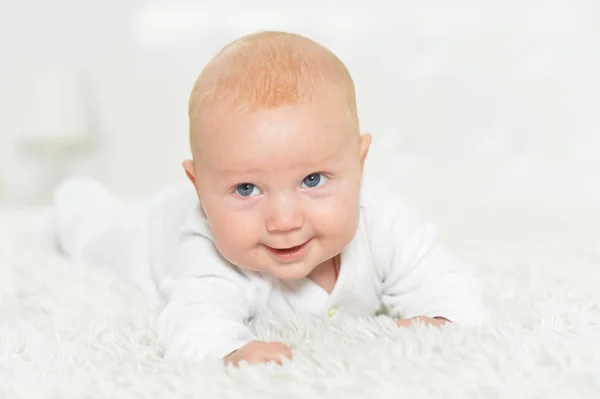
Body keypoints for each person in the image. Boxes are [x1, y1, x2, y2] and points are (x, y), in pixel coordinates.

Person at [50, 31, 487, 367]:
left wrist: (441, 319)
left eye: (313, 179)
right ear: (200, 188)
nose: (283, 219)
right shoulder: (208, 252)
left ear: (359, 162)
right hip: (147, 231)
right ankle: (72, 199)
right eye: (247, 189)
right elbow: (192, 327)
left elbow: (449, 285)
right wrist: (229, 355)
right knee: (92, 233)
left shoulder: (382, 219)